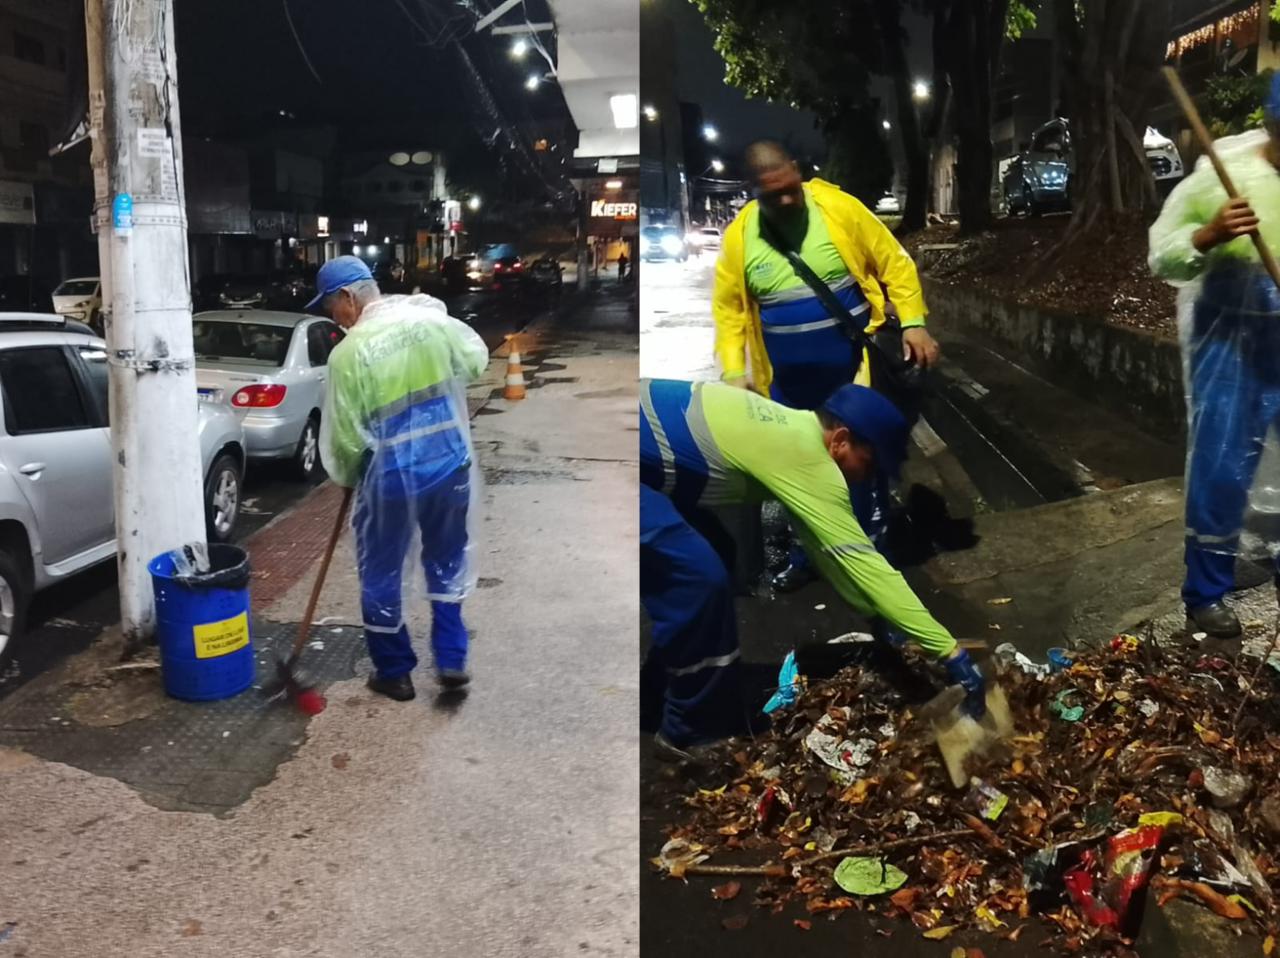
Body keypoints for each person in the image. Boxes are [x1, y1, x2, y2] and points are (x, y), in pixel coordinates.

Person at [640, 377, 985, 760]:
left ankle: (663, 684)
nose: (868, 478)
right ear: (840, 440)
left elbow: (827, 551)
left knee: (713, 552)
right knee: (699, 578)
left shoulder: (794, 428)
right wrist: (950, 651)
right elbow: (865, 564)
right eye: (868, 465)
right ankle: (688, 731)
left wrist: (875, 615)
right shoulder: (808, 460)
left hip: (646, 457)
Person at [713, 141, 942, 590]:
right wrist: (732, 371)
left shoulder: (838, 208)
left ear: (798, 174)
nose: (784, 200)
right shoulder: (741, 236)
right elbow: (728, 309)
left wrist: (913, 322)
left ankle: (870, 554)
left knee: (860, 464)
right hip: (787, 384)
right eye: (771, 194)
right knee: (801, 473)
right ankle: (809, 553)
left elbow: (893, 261)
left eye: (790, 189)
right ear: (753, 191)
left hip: (851, 373)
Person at [310, 255, 490, 700]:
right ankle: (451, 658)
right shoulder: (430, 322)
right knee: (446, 561)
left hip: (389, 479)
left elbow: (347, 442)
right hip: (450, 466)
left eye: (332, 307)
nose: (334, 317)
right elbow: (475, 363)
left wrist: (351, 476)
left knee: (381, 572)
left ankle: (395, 673)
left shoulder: (348, 354)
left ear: (348, 298)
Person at [1149, 77, 1280, 639]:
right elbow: (1163, 254)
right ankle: (1206, 592)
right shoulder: (1228, 176)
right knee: (1221, 466)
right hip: (1230, 346)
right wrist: (1209, 233)